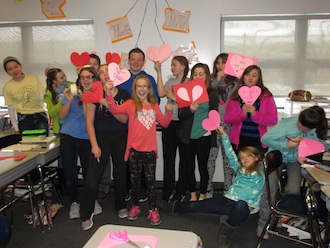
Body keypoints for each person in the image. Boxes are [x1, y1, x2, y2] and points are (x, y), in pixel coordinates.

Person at [157, 125, 265, 248]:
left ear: (257, 157)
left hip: (244, 208)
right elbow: (230, 153)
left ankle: (224, 233)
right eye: (242, 157)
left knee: (241, 206)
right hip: (227, 201)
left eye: (248, 156)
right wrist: (224, 134)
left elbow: (274, 153)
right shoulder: (239, 168)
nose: (244, 159)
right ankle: (171, 207)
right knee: (195, 206)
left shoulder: (261, 170)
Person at [104, 74, 173, 226]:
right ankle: (135, 206)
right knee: (134, 182)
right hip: (134, 151)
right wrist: (109, 94)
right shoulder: (130, 104)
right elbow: (114, 109)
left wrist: (169, 112)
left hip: (149, 153)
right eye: (138, 86)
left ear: (149, 89)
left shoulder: (154, 105)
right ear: (135, 89)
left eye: (144, 86)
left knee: (151, 183)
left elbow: (165, 123)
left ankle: (153, 209)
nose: (141, 89)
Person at [256, 105, 330, 239]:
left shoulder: (315, 130)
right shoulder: (287, 124)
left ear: (311, 128)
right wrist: (286, 145)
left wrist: (310, 142)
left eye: (302, 127)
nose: (298, 125)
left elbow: (323, 145)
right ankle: (262, 224)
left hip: (294, 160)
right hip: (276, 156)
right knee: (270, 190)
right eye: (298, 123)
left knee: (293, 191)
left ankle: (280, 216)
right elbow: (265, 139)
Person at [80, 64, 130, 231]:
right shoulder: (93, 94)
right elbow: (89, 122)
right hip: (100, 140)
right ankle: (86, 213)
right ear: (98, 77)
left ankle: (121, 205)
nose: (105, 75)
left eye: (108, 71)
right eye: (101, 72)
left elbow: (123, 119)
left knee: (121, 175)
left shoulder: (123, 94)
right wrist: (94, 145)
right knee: (92, 179)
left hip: (119, 138)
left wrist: (109, 100)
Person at [59, 66, 101, 220]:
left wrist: (86, 100)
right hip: (68, 137)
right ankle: (75, 202)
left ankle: (91, 200)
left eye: (89, 76)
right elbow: (62, 116)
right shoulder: (72, 94)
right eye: (83, 77)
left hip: (86, 138)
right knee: (70, 175)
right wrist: (70, 101)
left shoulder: (97, 96)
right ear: (79, 80)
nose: (86, 80)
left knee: (90, 173)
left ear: (95, 79)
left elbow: (88, 118)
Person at [119, 47, 160, 202]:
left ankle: (143, 190)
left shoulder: (149, 79)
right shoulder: (121, 78)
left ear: (144, 62)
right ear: (128, 61)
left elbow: (155, 101)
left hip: (144, 128)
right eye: (133, 59)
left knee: (146, 165)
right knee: (130, 163)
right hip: (125, 128)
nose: (136, 62)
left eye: (139, 59)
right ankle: (131, 189)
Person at [178, 63, 219, 201]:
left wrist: (213, 138)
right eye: (195, 74)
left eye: (201, 74)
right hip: (188, 136)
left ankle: (202, 193)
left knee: (203, 167)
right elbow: (180, 115)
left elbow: (214, 116)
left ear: (206, 75)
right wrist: (190, 110)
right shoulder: (186, 91)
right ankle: (193, 194)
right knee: (189, 166)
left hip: (204, 135)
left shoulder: (212, 93)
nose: (198, 76)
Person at [154, 55, 189, 202]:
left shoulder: (189, 82)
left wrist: (173, 96)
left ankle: (180, 191)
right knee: (169, 159)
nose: (172, 67)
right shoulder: (171, 81)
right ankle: (167, 191)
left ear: (182, 66)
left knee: (184, 160)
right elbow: (161, 93)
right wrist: (159, 72)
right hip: (169, 124)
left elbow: (189, 102)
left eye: (174, 65)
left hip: (184, 123)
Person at [224, 65, 278, 154]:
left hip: (259, 141)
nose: (250, 78)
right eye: (247, 75)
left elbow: (273, 120)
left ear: (258, 78)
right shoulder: (235, 96)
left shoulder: (266, 96)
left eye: (254, 75)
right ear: (243, 76)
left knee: (257, 167)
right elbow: (228, 119)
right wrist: (242, 114)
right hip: (239, 141)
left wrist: (255, 113)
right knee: (240, 167)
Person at [207, 53, 238, 197]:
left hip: (229, 125)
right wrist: (218, 79)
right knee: (210, 159)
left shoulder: (236, 82)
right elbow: (206, 94)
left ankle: (228, 188)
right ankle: (208, 188)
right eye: (218, 63)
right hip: (213, 125)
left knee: (228, 160)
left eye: (223, 63)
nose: (220, 66)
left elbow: (236, 98)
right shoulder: (212, 80)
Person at [2, 56, 48, 135]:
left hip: (40, 116)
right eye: (10, 69)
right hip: (24, 119)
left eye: (16, 67)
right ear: (7, 72)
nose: (14, 70)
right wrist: (16, 128)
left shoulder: (33, 78)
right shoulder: (7, 87)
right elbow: (11, 108)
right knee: (27, 145)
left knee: (43, 144)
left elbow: (43, 97)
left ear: (21, 66)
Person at [44, 68, 72, 136]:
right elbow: (51, 113)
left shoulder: (71, 86)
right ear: (54, 81)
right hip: (59, 126)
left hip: (72, 123)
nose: (65, 78)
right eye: (62, 78)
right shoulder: (49, 93)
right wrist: (63, 101)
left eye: (64, 76)